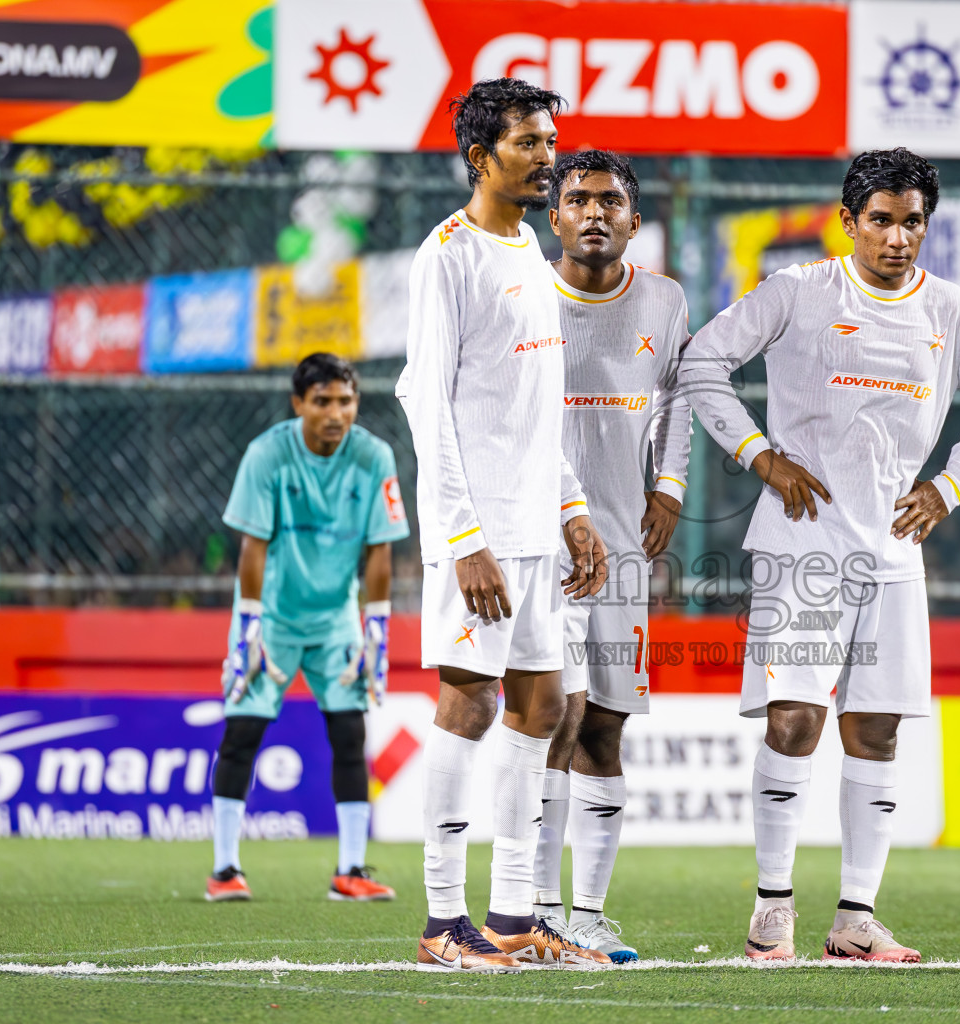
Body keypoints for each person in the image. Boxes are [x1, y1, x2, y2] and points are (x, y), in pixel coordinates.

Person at [677, 148, 960, 962]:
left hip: (896, 551)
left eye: (912, 223)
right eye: (881, 220)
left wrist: (951, 486)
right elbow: (699, 362)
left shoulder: (953, 309)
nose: (898, 238)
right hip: (803, 544)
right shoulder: (800, 292)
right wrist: (761, 455)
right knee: (795, 720)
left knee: (876, 731)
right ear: (848, 220)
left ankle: (856, 921)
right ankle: (772, 907)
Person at [396, 78, 610, 974]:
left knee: (543, 706)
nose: (548, 155)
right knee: (470, 701)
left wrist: (572, 510)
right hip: (477, 535)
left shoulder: (528, 247)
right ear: (480, 156)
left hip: (534, 526)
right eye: (529, 142)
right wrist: (462, 540)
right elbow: (424, 403)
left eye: (549, 139)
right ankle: (444, 922)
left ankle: (516, 913)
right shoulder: (446, 256)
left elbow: (537, 406)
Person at [529, 150, 692, 964]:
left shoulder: (664, 298)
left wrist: (671, 487)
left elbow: (681, 399)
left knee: (605, 727)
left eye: (612, 200)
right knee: (549, 717)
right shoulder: (524, 291)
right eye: (578, 199)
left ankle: (587, 915)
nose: (595, 212)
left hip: (624, 547)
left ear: (634, 219)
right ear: (554, 217)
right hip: (543, 546)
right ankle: (533, 910)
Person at [206, 352, 409, 904]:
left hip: (337, 619)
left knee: (349, 734)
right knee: (242, 733)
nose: (336, 413)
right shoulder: (267, 454)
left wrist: (377, 628)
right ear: (299, 403)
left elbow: (379, 550)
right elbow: (252, 544)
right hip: (269, 616)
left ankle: (351, 869)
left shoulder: (374, 456)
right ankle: (225, 869)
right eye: (322, 401)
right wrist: (248, 626)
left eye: (346, 401)